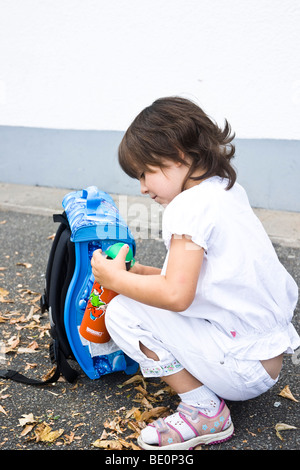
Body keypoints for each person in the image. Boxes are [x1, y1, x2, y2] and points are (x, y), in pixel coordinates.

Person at [91, 96, 300, 450]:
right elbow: (210, 279)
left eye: (145, 172)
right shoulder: (224, 191)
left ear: (176, 154)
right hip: (265, 361)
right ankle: (211, 384)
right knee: (138, 296)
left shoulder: (187, 207)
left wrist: (115, 280)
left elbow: (176, 295)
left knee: (123, 312)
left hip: (240, 369)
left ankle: (204, 411)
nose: (142, 187)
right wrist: (142, 273)